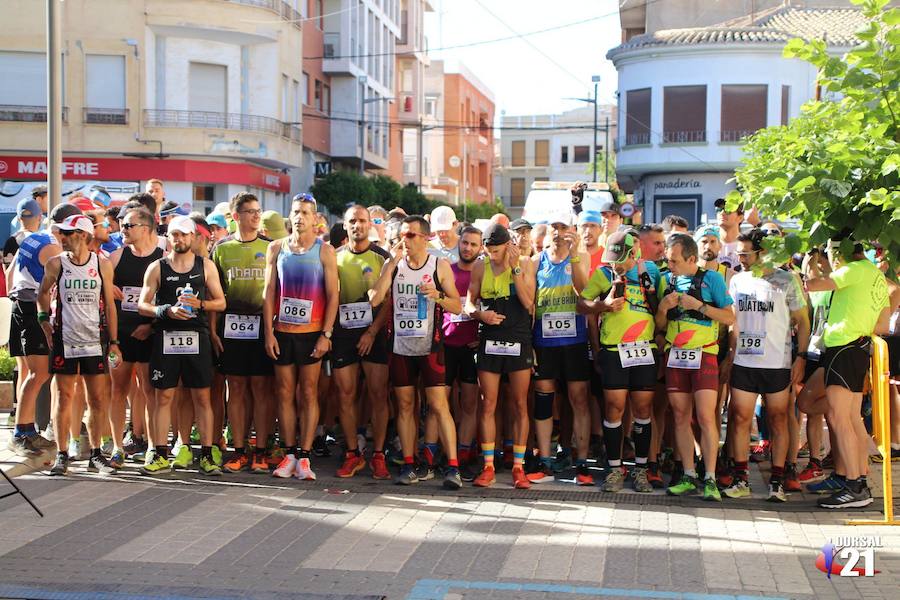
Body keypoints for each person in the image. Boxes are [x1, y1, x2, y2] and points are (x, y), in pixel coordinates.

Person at [369, 215, 463, 489]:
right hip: (400, 347)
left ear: (425, 237)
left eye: (410, 235)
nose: (404, 241)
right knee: (405, 405)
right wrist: (390, 266)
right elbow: (375, 299)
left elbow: (457, 307)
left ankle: (453, 468)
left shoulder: (438, 265)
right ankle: (409, 464)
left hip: (430, 346)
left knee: (438, 405)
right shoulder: (394, 264)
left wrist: (437, 296)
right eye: (401, 235)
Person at [720, 229, 809, 502]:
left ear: (763, 252)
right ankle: (740, 478)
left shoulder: (787, 280)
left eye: (745, 253)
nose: (741, 258)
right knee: (739, 419)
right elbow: (731, 320)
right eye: (739, 253)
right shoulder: (737, 280)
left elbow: (803, 321)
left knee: (779, 419)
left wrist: (801, 357)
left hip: (776, 363)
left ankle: (778, 480)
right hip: (744, 361)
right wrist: (729, 355)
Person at [137, 215, 227, 476]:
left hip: (196, 337)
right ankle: (160, 453)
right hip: (166, 337)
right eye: (175, 234)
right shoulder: (157, 267)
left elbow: (221, 302)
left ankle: (208, 454)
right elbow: (143, 304)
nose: (179, 239)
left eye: (184, 234)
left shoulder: (206, 266)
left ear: (193, 237)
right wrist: (166, 310)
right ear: (169, 237)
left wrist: (200, 305)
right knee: (163, 396)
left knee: (201, 396)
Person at [579, 230, 666, 493]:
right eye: (613, 258)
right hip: (614, 350)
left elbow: (662, 307)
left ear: (635, 251)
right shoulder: (603, 274)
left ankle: (641, 469)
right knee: (614, 408)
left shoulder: (651, 271)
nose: (616, 264)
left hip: (645, 349)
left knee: (642, 410)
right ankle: (615, 468)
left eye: (622, 259)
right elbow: (581, 304)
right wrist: (603, 305)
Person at [805, 238, 889, 509]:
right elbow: (884, 321)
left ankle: (854, 487)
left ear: (837, 250)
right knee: (851, 419)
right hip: (858, 347)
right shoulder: (875, 274)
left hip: (843, 347)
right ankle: (859, 481)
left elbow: (812, 286)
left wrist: (811, 266)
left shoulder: (853, 269)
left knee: (841, 419)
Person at [37, 214, 120, 476]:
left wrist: (115, 342)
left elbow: (110, 304)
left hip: (94, 340)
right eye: (61, 233)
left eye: (68, 233)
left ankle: (95, 454)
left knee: (97, 399)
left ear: (83, 235)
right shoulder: (55, 263)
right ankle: (62, 453)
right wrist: (43, 320)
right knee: (64, 397)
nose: (62, 238)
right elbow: (42, 292)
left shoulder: (102, 264)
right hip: (65, 339)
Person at [262, 195, 338, 481]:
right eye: (296, 212)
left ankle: (305, 456)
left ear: (315, 218)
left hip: (311, 335)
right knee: (283, 393)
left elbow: (333, 297)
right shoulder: (276, 248)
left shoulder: (325, 251)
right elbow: (268, 292)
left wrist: (326, 335)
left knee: (308, 393)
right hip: (283, 333)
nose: (300, 217)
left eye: (306, 213)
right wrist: (268, 332)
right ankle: (289, 452)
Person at [656, 233, 734, 501]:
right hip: (675, 356)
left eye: (674, 261)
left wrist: (700, 306)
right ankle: (688, 474)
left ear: (692, 259)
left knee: (705, 417)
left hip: (704, 356)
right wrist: (663, 310)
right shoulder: (666, 280)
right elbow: (659, 326)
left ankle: (710, 477)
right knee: (679, 416)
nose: (670, 266)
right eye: (668, 260)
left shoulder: (711, 279)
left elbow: (729, 316)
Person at [6, 203, 82, 458]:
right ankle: (21, 434)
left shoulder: (31, 238)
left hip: (21, 305)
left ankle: (25, 430)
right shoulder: (53, 247)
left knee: (31, 373)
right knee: (38, 374)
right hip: (33, 311)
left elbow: (8, 277)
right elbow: (62, 284)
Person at [465, 223, 535, 489]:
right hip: (490, 338)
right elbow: (469, 302)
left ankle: (518, 466)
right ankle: (488, 466)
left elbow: (529, 303)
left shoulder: (524, 263)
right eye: (488, 249)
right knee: (488, 403)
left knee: (519, 403)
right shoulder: (480, 266)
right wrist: (480, 314)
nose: (492, 255)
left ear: (508, 245)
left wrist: (515, 268)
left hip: (518, 337)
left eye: (497, 250)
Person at [210, 193, 273, 474]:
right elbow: (214, 292)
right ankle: (238, 450)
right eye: (250, 212)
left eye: (258, 211)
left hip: (262, 325)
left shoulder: (271, 247)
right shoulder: (221, 248)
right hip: (231, 325)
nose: (256, 216)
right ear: (235, 216)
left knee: (260, 389)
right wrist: (213, 331)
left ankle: (260, 450)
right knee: (235, 388)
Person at [528, 215, 592, 486]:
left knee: (579, 399)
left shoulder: (581, 257)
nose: (558, 232)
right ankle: (544, 459)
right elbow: (530, 303)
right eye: (553, 227)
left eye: (563, 227)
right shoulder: (535, 261)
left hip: (574, 340)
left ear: (572, 231)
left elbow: (583, 290)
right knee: (544, 400)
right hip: (544, 342)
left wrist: (575, 256)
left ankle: (582, 462)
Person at [330, 205, 392, 480]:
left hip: (375, 334)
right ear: (345, 225)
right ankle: (353, 453)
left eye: (362, 221)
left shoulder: (383, 257)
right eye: (352, 221)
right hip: (344, 334)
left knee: (378, 395)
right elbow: (330, 296)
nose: (357, 225)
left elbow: (390, 301)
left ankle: (378, 454)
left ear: (371, 225)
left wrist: (372, 332)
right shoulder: (334, 257)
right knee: (346, 395)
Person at [108, 207, 163, 468]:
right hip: (120, 334)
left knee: (150, 390)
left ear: (146, 228)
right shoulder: (117, 256)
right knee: (117, 389)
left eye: (129, 225)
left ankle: (153, 446)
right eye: (122, 224)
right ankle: (118, 447)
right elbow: (97, 278)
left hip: (150, 333)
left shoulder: (163, 258)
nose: (123, 229)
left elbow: (170, 297)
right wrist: (108, 286)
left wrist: (151, 326)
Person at [442, 226, 483, 481]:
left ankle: (465, 453)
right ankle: (439, 453)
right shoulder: (447, 270)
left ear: (481, 248)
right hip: (446, 344)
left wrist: (482, 337)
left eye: (473, 245)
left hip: (471, 347)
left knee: (469, 404)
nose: (467, 248)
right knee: (440, 403)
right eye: (465, 243)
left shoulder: (483, 273)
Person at [3, 198, 44, 267]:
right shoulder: (44, 241)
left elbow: (7, 273)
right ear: (39, 217)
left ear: (19, 218)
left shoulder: (11, 242)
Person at [714, 198, 743, 270]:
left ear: (740, 218)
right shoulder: (707, 244)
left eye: (728, 210)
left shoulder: (746, 245)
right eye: (719, 210)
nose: (722, 213)